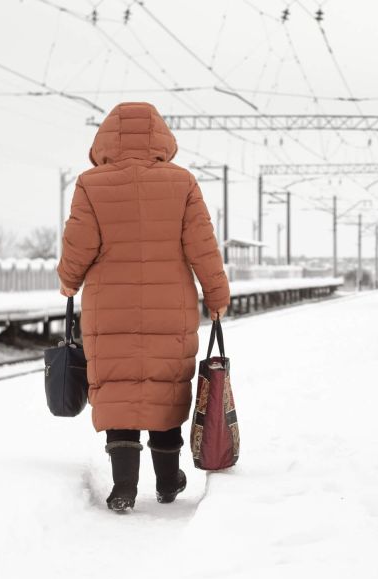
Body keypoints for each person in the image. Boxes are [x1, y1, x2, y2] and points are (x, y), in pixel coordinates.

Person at [57, 102, 230, 513]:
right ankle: (169, 481)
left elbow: (78, 246)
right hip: (170, 306)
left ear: (105, 139)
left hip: (109, 306)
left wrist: (68, 281)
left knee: (117, 388)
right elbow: (202, 248)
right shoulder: (182, 182)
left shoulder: (90, 184)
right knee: (166, 390)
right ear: (161, 138)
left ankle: (123, 487)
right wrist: (218, 296)